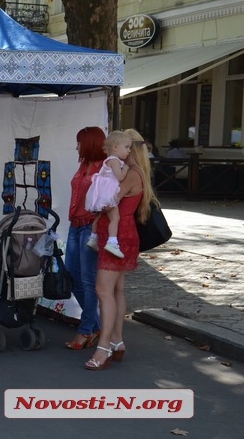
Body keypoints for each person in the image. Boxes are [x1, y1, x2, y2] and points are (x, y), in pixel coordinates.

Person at [84, 128, 154, 371]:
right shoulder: (134, 172)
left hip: (118, 234)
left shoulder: (129, 174)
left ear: (130, 149)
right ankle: (116, 341)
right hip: (121, 232)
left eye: (125, 146)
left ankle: (103, 347)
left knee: (103, 290)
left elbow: (108, 201)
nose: (123, 150)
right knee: (116, 290)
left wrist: (94, 198)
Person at [64, 126, 106, 351]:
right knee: (71, 274)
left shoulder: (104, 167)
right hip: (75, 225)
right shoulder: (84, 165)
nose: (77, 146)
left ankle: (86, 330)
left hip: (91, 225)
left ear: (90, 143)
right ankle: (96, 325)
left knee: (88, 280)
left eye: (80, 142)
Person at [85, 131, 132, 259]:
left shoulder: (107, 160)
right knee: (115, 218)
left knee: (99, 216)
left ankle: (93, 238)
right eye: (127, 147)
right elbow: (120, 177)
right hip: (108, 193)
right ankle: (112, 242)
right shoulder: (115, 161)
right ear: (115, 147)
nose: (129, 151)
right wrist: (126, 169)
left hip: (101, 193)